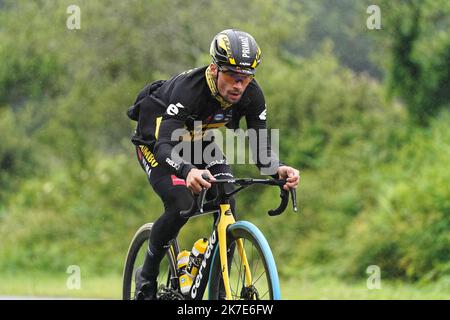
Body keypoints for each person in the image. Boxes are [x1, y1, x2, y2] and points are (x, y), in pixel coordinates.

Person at [128, 29, 300, 300]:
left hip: (197, 139)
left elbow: (261, 149)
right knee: (182, 202)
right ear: (214, 69)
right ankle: (146, 278)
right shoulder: (190, 90)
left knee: (227, 199)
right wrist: (188, 171)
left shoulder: (252, 95)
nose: (239, 86)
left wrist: (278, 169)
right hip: (156, 143)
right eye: (232, 77)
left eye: (246, 79)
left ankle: (217, 292)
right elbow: (164, 146)